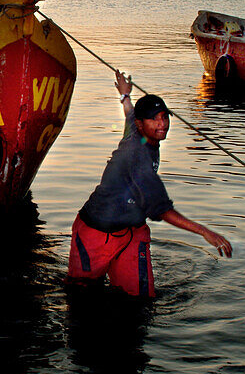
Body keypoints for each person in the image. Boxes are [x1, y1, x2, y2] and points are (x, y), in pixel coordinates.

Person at [68, 70, 232, 297]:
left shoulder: (138, 131)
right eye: (154, 119)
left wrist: (125, 96)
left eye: (164, 117)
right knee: (82, 296)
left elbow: (129, 114)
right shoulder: (138, 155)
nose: (162, 123)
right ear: (141, 123)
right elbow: (161, 209)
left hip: (132, 232)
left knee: (140, 300)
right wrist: (205, 232)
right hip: (96, 232)